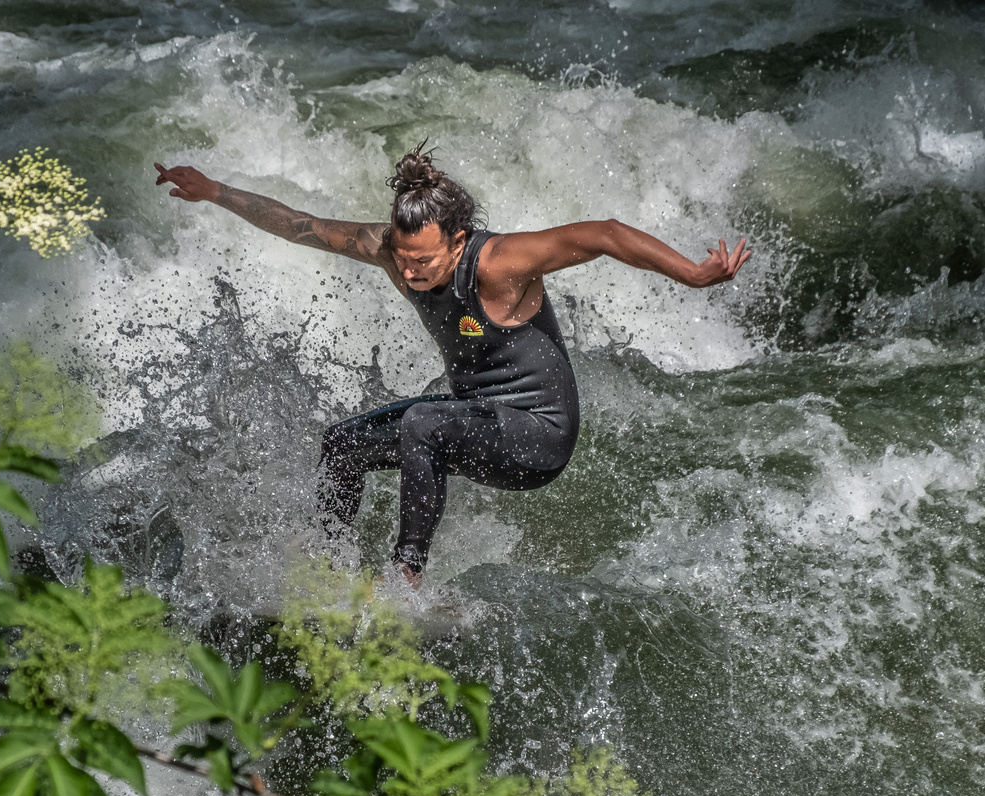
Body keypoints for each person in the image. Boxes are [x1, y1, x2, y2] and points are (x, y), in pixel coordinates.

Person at [153, 144, 749, 586]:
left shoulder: (501, 262)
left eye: (425, 261)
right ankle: (328, 570)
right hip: (479, 417)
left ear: (458, 242)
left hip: (539, 434)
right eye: (404, 258)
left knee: (422, 423)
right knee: (342, 445)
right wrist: (216, 192)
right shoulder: (393, 250)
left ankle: (405, 580)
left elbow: (607, 235)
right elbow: (302, 227)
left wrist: (694, 275)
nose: (410, 273)